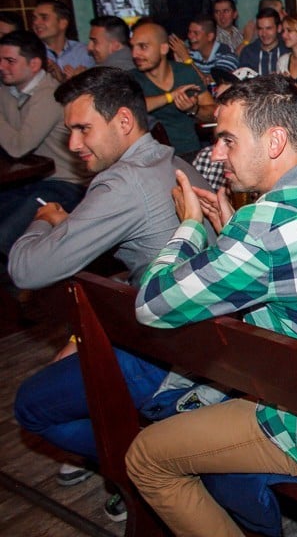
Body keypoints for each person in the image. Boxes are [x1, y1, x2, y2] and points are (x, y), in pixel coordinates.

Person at [126, 75, 297, 536]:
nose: (217, 154)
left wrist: (188, 226)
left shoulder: (266, 224)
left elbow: (151, 304)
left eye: (227, 139)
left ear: (275, 140)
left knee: (145, 457)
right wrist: (232, 233)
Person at [11, 67, 213, 519]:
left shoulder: (120, 182)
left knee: (30, 407)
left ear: (124, 122)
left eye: (84, 129)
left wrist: (42, 221)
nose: (74, 145)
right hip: (195, 340)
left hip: (164, 354)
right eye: (71, 132)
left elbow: (27, 269)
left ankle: (148, 467)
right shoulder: (171, 159)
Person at [0, 30, 90, 255]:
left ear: (34, 65)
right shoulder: (10, 90)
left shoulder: (50, 94)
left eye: (10, 61)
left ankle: (30, 286)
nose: (2, 66)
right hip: (31, 180)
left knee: (6, 236)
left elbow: (18, 147)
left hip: (65, 183)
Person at [129, 21, 215, 155]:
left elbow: (213, 113)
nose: (135, 54)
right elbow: (132, 107)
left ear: (163, 48)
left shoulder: (185, 73)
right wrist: (170, 96)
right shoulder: (131, 79)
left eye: (143, 47)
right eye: (132, 47)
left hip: (189, 153)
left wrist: (193, 109)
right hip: (151, 159)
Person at [32, 0, 94, 80]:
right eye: (34, 18)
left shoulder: (85, 52)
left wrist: (79, 80)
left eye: (44, 18)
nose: (36, 23)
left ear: (63, 24)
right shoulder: (32, 54)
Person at [169, 16, 239, 80]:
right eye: (190, 32)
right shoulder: (192, 53)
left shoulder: (226, 55)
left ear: (210, 37)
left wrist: (187, 59)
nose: (190, 36)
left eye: (196, 33)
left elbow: (210, 83)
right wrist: (179, 63)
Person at [238, 7, 289, 76]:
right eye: (260, 29)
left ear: (279, 28)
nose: (264, 34)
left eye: (269, 28)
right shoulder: (248, 53)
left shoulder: (287, 50)